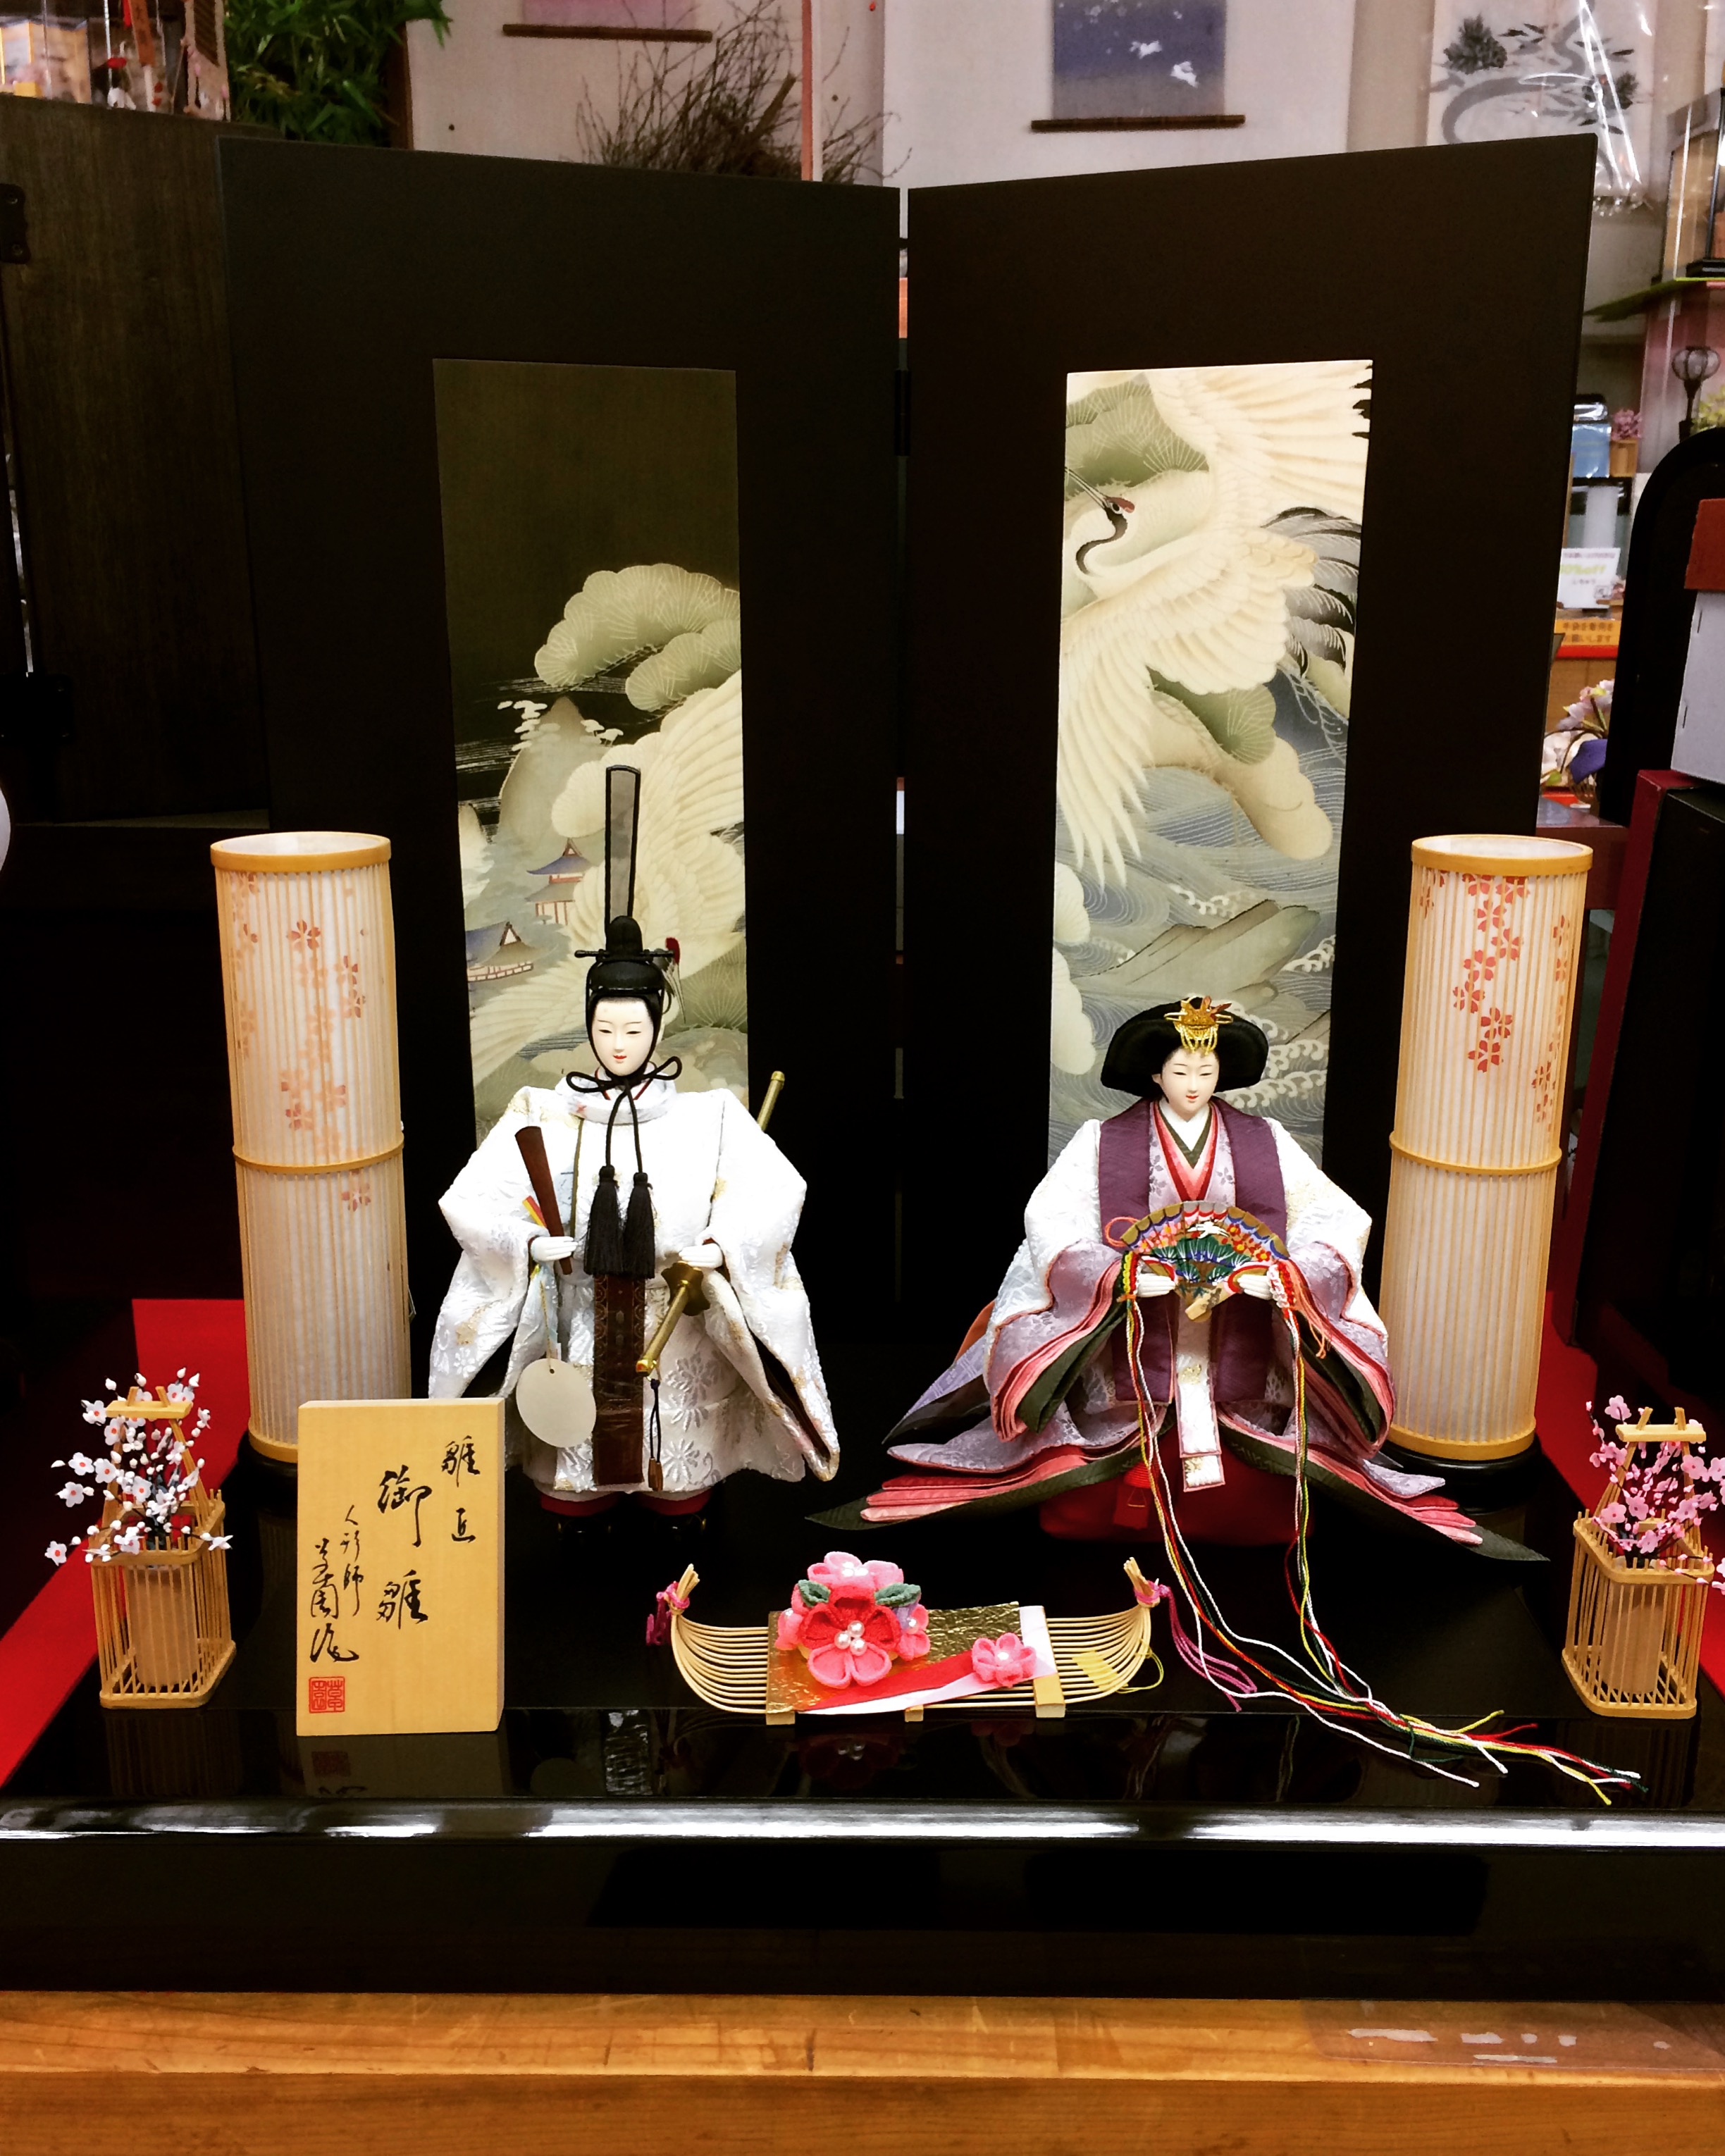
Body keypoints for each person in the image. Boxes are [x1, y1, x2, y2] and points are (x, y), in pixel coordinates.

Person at [857, 995, 1486, 1550]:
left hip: (1241, 1318)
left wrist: (1284, 1275)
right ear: (1155, 1074)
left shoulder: (1265, 1140)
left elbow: (1334, 1217)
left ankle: (1234, 1478)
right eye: (1181, 1071)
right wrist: (1115, 1275)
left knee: (1257, 1465)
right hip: (1134, 1325)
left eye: (1206, 1072)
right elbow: (1051, 1221)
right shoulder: (1102, 1141)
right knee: (1106, 1443)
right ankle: (1122, 1472)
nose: (1194, 1084)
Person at [428, 769, 836, 1515]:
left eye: (634, 1028)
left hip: (671, 1320)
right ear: (588, 1026)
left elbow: (774, 1192)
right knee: (573, 1473)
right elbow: (475, 1199)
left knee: (676, 1481)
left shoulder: (710, 1117)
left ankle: (673, 1487)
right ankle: (579, 1490)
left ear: (658, 1026)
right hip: (578, 1316)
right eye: (605, 1027)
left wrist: (723, 1244)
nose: (619, 1043)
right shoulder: (541, 1111)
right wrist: (526, 1243)